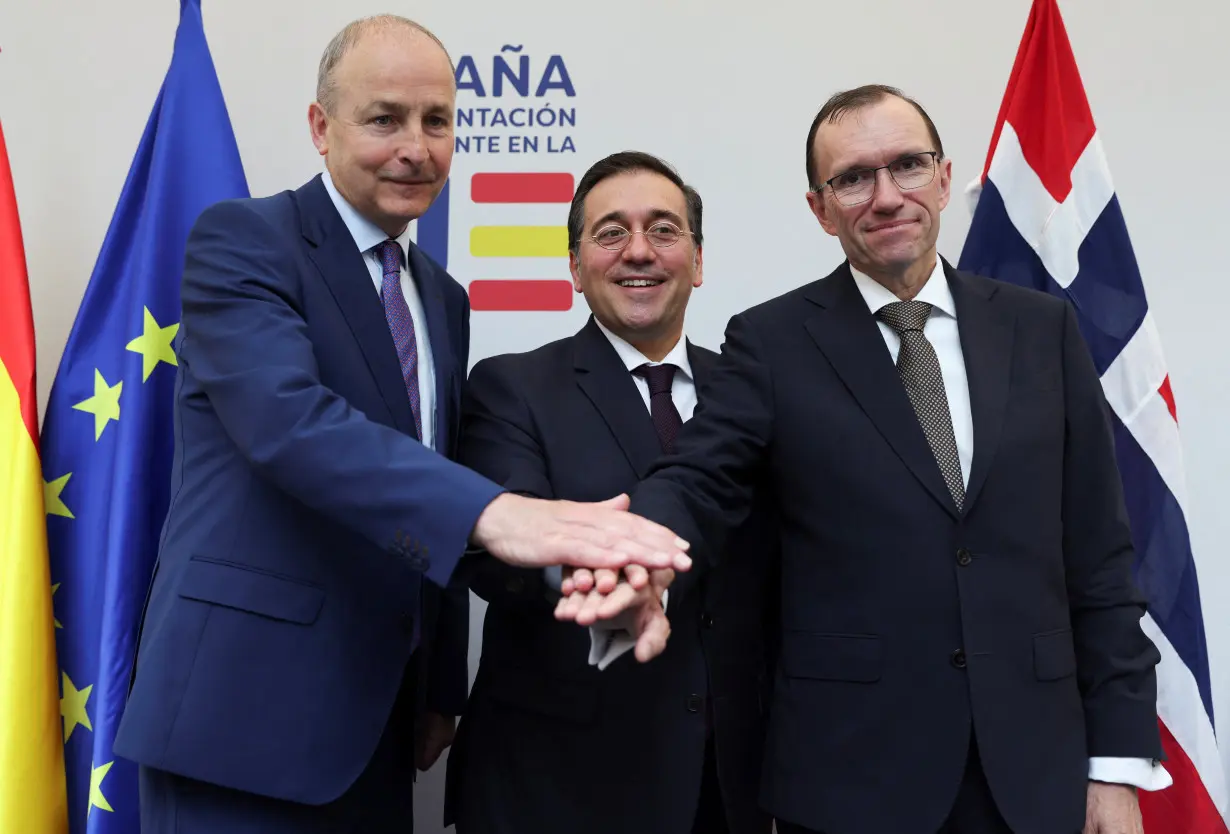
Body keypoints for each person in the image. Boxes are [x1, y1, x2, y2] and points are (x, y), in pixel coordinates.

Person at [110, 17, 689, 834]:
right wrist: (505, 514)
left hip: (379, 723)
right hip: (242, 719)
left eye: (437, 120)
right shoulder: (244, 241)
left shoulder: (441, 299)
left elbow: (424, 483)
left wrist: (442, 683)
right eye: (384, 119)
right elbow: (291, 424)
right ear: (321, 126)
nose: (416, 147)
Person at [562, 85, 1171, 834]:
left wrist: (1115, 765)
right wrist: (634, 552)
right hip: (853, 777)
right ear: (820, 208)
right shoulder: (773, 341)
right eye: (852, 178)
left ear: (944, 178)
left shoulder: (1042, 330)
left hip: (1034, 770)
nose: (885, 197)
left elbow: (1101, 560)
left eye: (907, 166)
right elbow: (699, 475)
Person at [444, 152, 779, 834]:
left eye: (663, 230)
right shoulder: (511, 388)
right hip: (559, 784)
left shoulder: (752, 392)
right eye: (610, 232)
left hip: (727, 786)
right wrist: (600, 582)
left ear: (698, 258)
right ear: (574, 267)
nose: (638, 252)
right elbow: (495, 554)